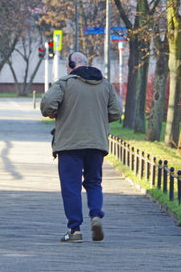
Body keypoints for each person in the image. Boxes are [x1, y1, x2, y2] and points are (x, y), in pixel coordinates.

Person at [40, 52, 122, 243]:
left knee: (71, 187)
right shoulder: (105, 84)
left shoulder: (65, 83)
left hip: (69, 144)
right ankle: (96, 216)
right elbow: (117, 111)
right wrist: (99, 118)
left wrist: (57, 112)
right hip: (96, 143)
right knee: (94, 182)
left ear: (70, 65)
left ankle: (75, 230)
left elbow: (47, 106)